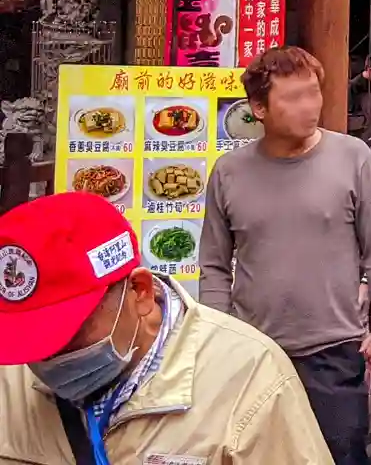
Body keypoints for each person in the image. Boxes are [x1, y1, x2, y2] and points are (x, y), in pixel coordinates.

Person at [0, 192, 334, 464]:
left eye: (68, 335)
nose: (48, 359)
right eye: (25, 339)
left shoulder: (249, 377)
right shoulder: (9, 378)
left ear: (140, 292)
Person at [200, 47, 371, 465]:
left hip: (334, 350)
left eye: (314, 93)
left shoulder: (352, 157)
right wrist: (219, 338)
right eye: (293, 98)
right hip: (253, 352)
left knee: (340, 454)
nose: (309, 107)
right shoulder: (229, 171)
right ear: (258, 108)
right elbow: (214, 266)